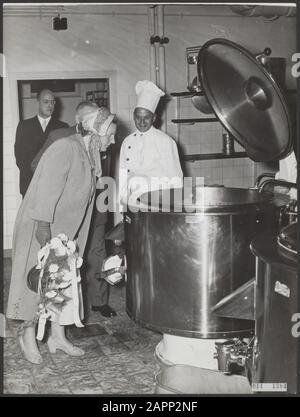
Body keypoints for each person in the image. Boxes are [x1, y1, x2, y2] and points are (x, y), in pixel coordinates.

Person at [6, 105, 114, 364]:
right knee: (35, 284)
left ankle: (57, 337)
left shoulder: (90, 154)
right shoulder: (66, 148)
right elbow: (45, 189)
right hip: (41, 227)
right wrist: (44, 231)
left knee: (62, 285)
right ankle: (28, 338)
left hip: (65, 232)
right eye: (111, 133)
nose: (113, 138)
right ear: (96, 131)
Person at [31, 101, 117, 318]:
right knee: (62, 265)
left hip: (95, 209)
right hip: (68, 215)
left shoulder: (103, 140)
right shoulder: (62, 139)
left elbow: (105, 176)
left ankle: (98, 302)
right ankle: (60, 314)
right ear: (80, 119)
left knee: (96, 256)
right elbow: (39, 168)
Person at [118, 80, 183, 206]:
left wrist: (175, 207)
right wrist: (122, 206)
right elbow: (123, 175)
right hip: (132, 203)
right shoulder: (127, 141)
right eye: (138, 117)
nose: (141, 122)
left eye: (146, 117)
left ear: (154, 118)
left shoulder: (165, 142)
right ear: (133, 116)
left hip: (157, 202)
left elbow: (176, 178)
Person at [14, 88, 69, 197]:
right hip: (30, 184)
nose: (50, 105)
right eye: (46, 102)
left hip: (54, 185)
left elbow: (65, 158)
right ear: (38, 102)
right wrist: (35, 176)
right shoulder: (24, 126)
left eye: (53, 102)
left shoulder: (63, 127)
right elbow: (20, 157)